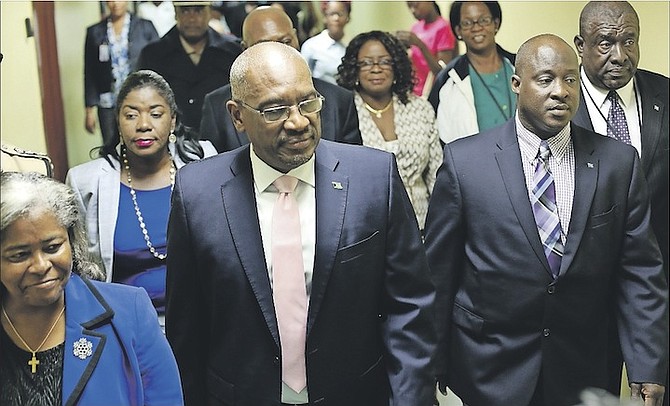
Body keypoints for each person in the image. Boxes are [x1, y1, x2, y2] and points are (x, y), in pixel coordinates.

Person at [166, 42, 436, 406]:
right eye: (275, 109)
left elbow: (411, 307)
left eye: (308, 102)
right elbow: (187, 329)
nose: (298, 121)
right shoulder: (197, 193)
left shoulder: (374, 178)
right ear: (237, 116)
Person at [424, 34, 668, 406]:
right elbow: (439, 273)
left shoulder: (617, 163)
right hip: (489, 367)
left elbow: (639, 270)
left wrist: (647, 364)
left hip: (583, 367)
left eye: (570, 79)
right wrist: (431, 359)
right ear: (517, 85)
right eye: (545, 79)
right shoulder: (465, 163)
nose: (561, 91)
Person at [0, 171, 183, 405]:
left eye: (53, 247)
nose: (41, 265)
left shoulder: (130, 311)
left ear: (71, 242)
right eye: (19, 255)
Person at [571, 2, 670, 403]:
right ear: (581, 45)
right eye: (606, 42)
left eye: (629, 41)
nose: (620, 54)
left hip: (659, 283)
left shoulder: (664, 93)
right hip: (585, 294)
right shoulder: (559, 103)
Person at [66, 70, 217, 331]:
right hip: (125, 327)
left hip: (201, 322)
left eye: (156, 114)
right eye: (131, 114)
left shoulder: (203, 162)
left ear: (173, 121)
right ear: (117, 121)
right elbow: (78, 271)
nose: (143, 124)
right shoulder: (87, 182)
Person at [199, 6, 362, 152]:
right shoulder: (217, 106)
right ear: (244, 49)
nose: (278, 51)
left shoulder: (339, 100)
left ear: (297, 39)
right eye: (265, 44)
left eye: (285, 42)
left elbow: (352, 169)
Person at [337, 30, 441, 231]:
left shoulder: (420, 108)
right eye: (366, 63)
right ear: (354, 69)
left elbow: (436, 175)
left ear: (396, 67)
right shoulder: (343, 111)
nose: (376, 69)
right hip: (365, 229)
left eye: (384, 62)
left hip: (422, 226)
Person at [137, 1, 242, 131]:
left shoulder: (232, 52)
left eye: (198, 10)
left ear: (210, 12)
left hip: (223, 138)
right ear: (176, 13)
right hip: (174, 138)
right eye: (185, 10)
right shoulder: (152, 56)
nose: (192, 18)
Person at [427, 1, 516, 145]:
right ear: (458, 31)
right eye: (468, 23)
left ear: (496, 23)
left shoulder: (520, 67)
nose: (477, 28)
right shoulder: (447, 79)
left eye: (484, 20)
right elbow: (434, 135)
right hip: (474, 164)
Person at [84, 0, 159, 144]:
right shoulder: (95, 32)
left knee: (140, 141)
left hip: (141, 98)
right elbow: (90, 72)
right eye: (110, 1)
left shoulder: (145, 27)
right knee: (110, 146)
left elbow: (159, 62)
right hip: (108, 101)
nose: (115, 4)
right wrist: (89, 110)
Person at [395, 1, 457, 97]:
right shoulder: (416, 27)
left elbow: (442, 71)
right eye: (409, 7)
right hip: (415, 91)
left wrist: (420, 44)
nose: (413, 11)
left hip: (434, 92)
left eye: (415, 5)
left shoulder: (444, 27)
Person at [300, 1, 351, 85]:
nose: (336, 18)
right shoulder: (311, 46)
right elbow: (303, 78)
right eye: (331, 14)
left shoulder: (352, 46)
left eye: (340, 14)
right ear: (325, 17)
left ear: (348, 17)